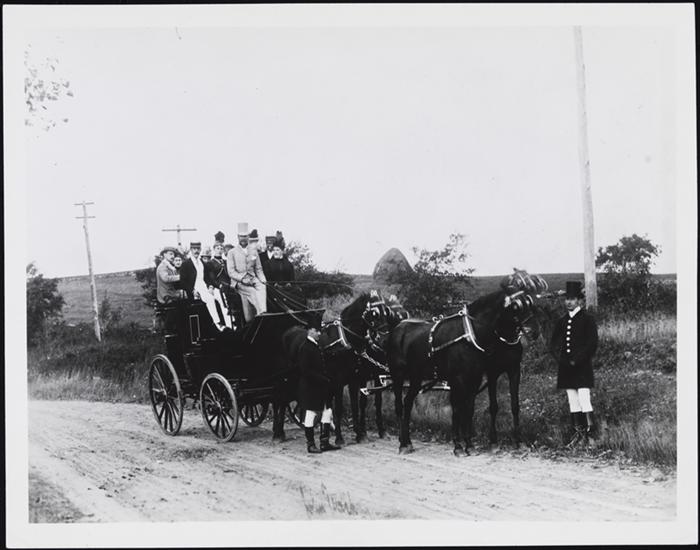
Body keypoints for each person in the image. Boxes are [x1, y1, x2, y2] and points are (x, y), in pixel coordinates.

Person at [550, 281, 599, 446]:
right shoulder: (562, 321)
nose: (568, 302)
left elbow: (592, 344)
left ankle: (591, 436)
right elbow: (553, 345)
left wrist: (577, 360)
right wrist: (561, 360)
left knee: (584, 398)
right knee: (572, 400)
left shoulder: (588, 319)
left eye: (572, 299)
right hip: (565, 368)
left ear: (579, 300)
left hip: (582, 367)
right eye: (567, 299)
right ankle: (578, 435)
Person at [298, 317, 341, 454]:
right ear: (310, 331)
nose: (319, 333)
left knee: (327, 412)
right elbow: (305, 370)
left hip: (321, 386)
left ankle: (324, 442)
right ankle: (310, 445)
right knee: (311, 414)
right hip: (311, 387)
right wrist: (322, 379)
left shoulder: (316, 345)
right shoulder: (305, 347)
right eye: (317, 331)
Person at [179, 241, 227, 331]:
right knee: (210, 299)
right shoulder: (186, 264)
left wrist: (210, 286)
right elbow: (183, 281)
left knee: (221, 295)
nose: (196, 251)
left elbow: (207, 277)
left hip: (205, 287)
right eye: (194, 249)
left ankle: (229, 323)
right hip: (195, 289)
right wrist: (192, 290)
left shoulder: (202, 263)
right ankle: (218, 324)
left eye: (198, 249)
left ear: (200, 250)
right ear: (191, 250)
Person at [226, 223, 267, 323]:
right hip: (239, 281)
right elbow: (231, 272)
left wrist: (263, 280)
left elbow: (258, 269)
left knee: (262, 287)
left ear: (248, 237)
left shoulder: (253, 251)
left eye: (245, 236)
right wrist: (242, 279)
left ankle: (264, 312)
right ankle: (260, 314)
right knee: (252, 291)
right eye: (241, 236)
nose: (243, 239)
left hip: (252, 278)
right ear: (238, 237)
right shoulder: (232, 252)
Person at [205, 241, 234, 330]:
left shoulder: (225, 261)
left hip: (228, 286)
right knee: (224, 302)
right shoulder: (210, 263)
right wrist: (219, 286)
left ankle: (235, 323)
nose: (220, 250)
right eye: (217, 248)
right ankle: (229, 325)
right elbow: (211, 278)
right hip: (218, 287)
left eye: (221, 248)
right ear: (214, 249)